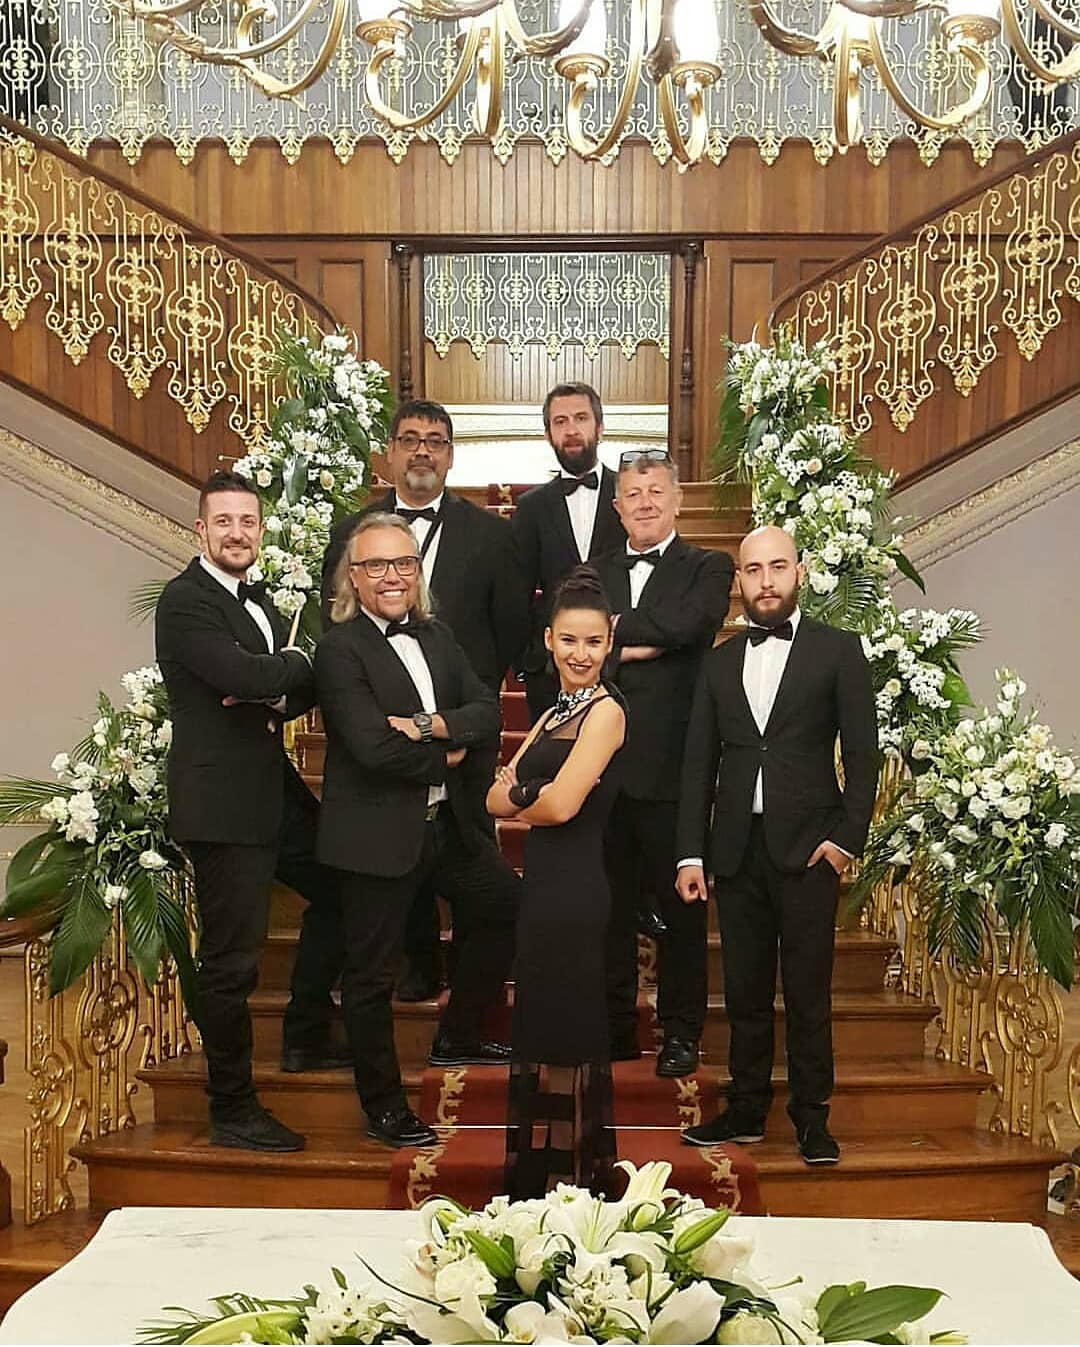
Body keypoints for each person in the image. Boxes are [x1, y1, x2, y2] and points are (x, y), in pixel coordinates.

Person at [156, 470, 347, 1155]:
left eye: (247, 521)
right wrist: (282, 668)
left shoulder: (259, 599)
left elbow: (292, 690)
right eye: (224, 521)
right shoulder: (184, 601)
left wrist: (274, 677)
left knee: (344, 885)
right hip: (221, 807)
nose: (237, 533)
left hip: (273, 791)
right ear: (200, 529)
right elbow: (243, 677)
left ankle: (305, 1034)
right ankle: (232, 1105)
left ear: (260, 530)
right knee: (231, 963)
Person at [675, 525, 879, 1165]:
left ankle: (812, 1118)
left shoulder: (838, 651)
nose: (765, 582)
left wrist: (845, 840)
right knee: (744, 992)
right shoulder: (719, 662)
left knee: (809, 993)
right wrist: (691, 852)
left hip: (811, 849)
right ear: (739, 579)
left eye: (777, 567)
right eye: (753, 570)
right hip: (736, 849)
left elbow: (864, 756)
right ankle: (745, 1109)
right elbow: (697, 764)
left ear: (800, 572)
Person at [315, 513, 520, 1149]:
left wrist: (429, 727)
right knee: (371, 977)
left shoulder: (437, 635)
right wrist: (449, 753)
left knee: (506, 904)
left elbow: (486, 710)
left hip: (445, 827)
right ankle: (383, 1107)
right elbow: (372, 748)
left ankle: (458, 1034)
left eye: (403, 563)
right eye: (376, 565)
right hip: (373, 836)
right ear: (353, 577)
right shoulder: (340, 648)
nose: (392, 577)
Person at [322, 399, 529, 1002]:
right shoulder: (350, 533)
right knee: (401, 863)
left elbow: (509, 627)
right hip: (385, 742)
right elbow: (334, 628)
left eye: (434, 441)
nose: (421, 451)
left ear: (450, 455)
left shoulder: (491, 534)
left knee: (472, 863)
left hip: (461, 718)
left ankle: (468, 986)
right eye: (409, 439)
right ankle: (418, 968)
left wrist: (439, 724)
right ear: (389, 454)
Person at [594, 451, 734, 1077]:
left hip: (677, 767)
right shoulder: (594, 572)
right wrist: (640, 643)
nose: (645, 502)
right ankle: (614, 1028)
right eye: (633, 493)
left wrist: (616, 637)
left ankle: (680, 1032)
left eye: (656, 491)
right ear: (617, 507)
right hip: (600, 770)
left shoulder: (709, 566)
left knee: (682, 912)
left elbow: (690, 626)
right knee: (609, 912)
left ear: (677, 501)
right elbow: (574, 642)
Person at [488, 566, 626, 1199]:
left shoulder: (607, 713)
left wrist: (524, 792)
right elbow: (492, 799)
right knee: (541, 1030)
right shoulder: (549, 714)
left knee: (570, 1034)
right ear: (548, 640)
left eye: (593, 641)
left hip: (577, 892)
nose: (580, 653)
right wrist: (530, 794)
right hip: (540, 891)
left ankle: (574, 1187)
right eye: (569, 640)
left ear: (610, 641)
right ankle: (539, 1188)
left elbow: (564, 806)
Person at [512, 382, 627, 724]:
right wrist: (529, 660)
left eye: (581, 418)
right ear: (548, 434)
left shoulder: (630, 494)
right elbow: (516, 592)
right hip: (550, 672)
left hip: (623, 667)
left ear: (600, 427)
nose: (571, 429)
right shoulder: (530, 507)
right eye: (560, 421)